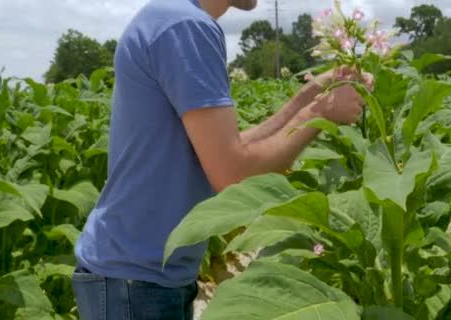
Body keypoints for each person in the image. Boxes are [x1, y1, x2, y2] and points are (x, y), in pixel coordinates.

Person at [71, 0, 366, 319]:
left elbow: (229, 148)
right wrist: (320, 112)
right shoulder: (186, 26)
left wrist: (309, 98)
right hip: (135, 283)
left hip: (139, 277)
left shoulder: (173, 18)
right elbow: (232, 173)